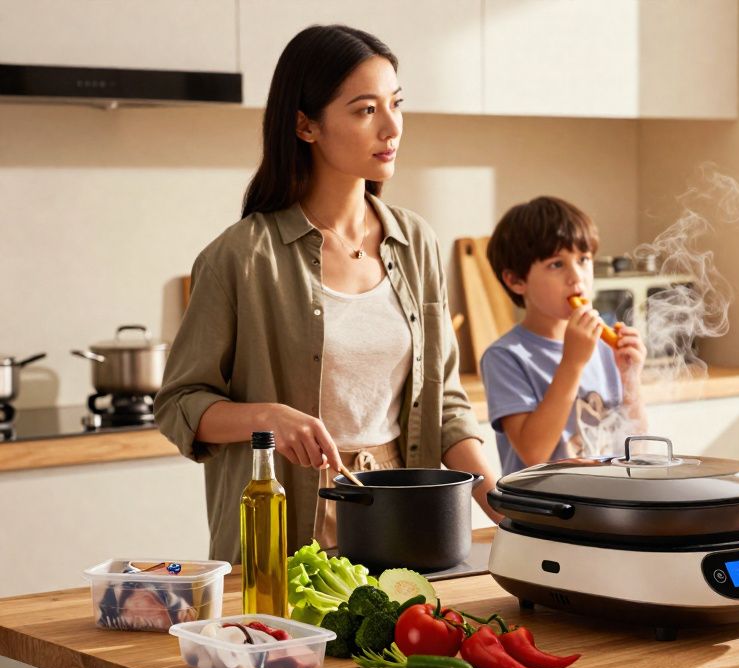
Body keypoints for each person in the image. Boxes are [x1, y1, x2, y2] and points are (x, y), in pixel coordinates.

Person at [157, 25, 501, 564]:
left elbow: (445, 405)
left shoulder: (417, 244)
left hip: (404, 514)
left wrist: (494, 496)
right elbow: (180, 405)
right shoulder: (241, 258)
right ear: (305, 125)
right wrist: (268, 418)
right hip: (290, 524)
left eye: (396, 104)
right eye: (365, 110)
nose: (391, 127)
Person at [480, 196, 648, 474]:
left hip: (610, 505)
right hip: (547, 513)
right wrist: (572, 362)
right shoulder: (506, 357)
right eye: (556, 264)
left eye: (583, 259)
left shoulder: (605, 349)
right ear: (516, 281)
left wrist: (631, 379)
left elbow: (638, 448)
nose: (576, 277)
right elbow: (534, 453)